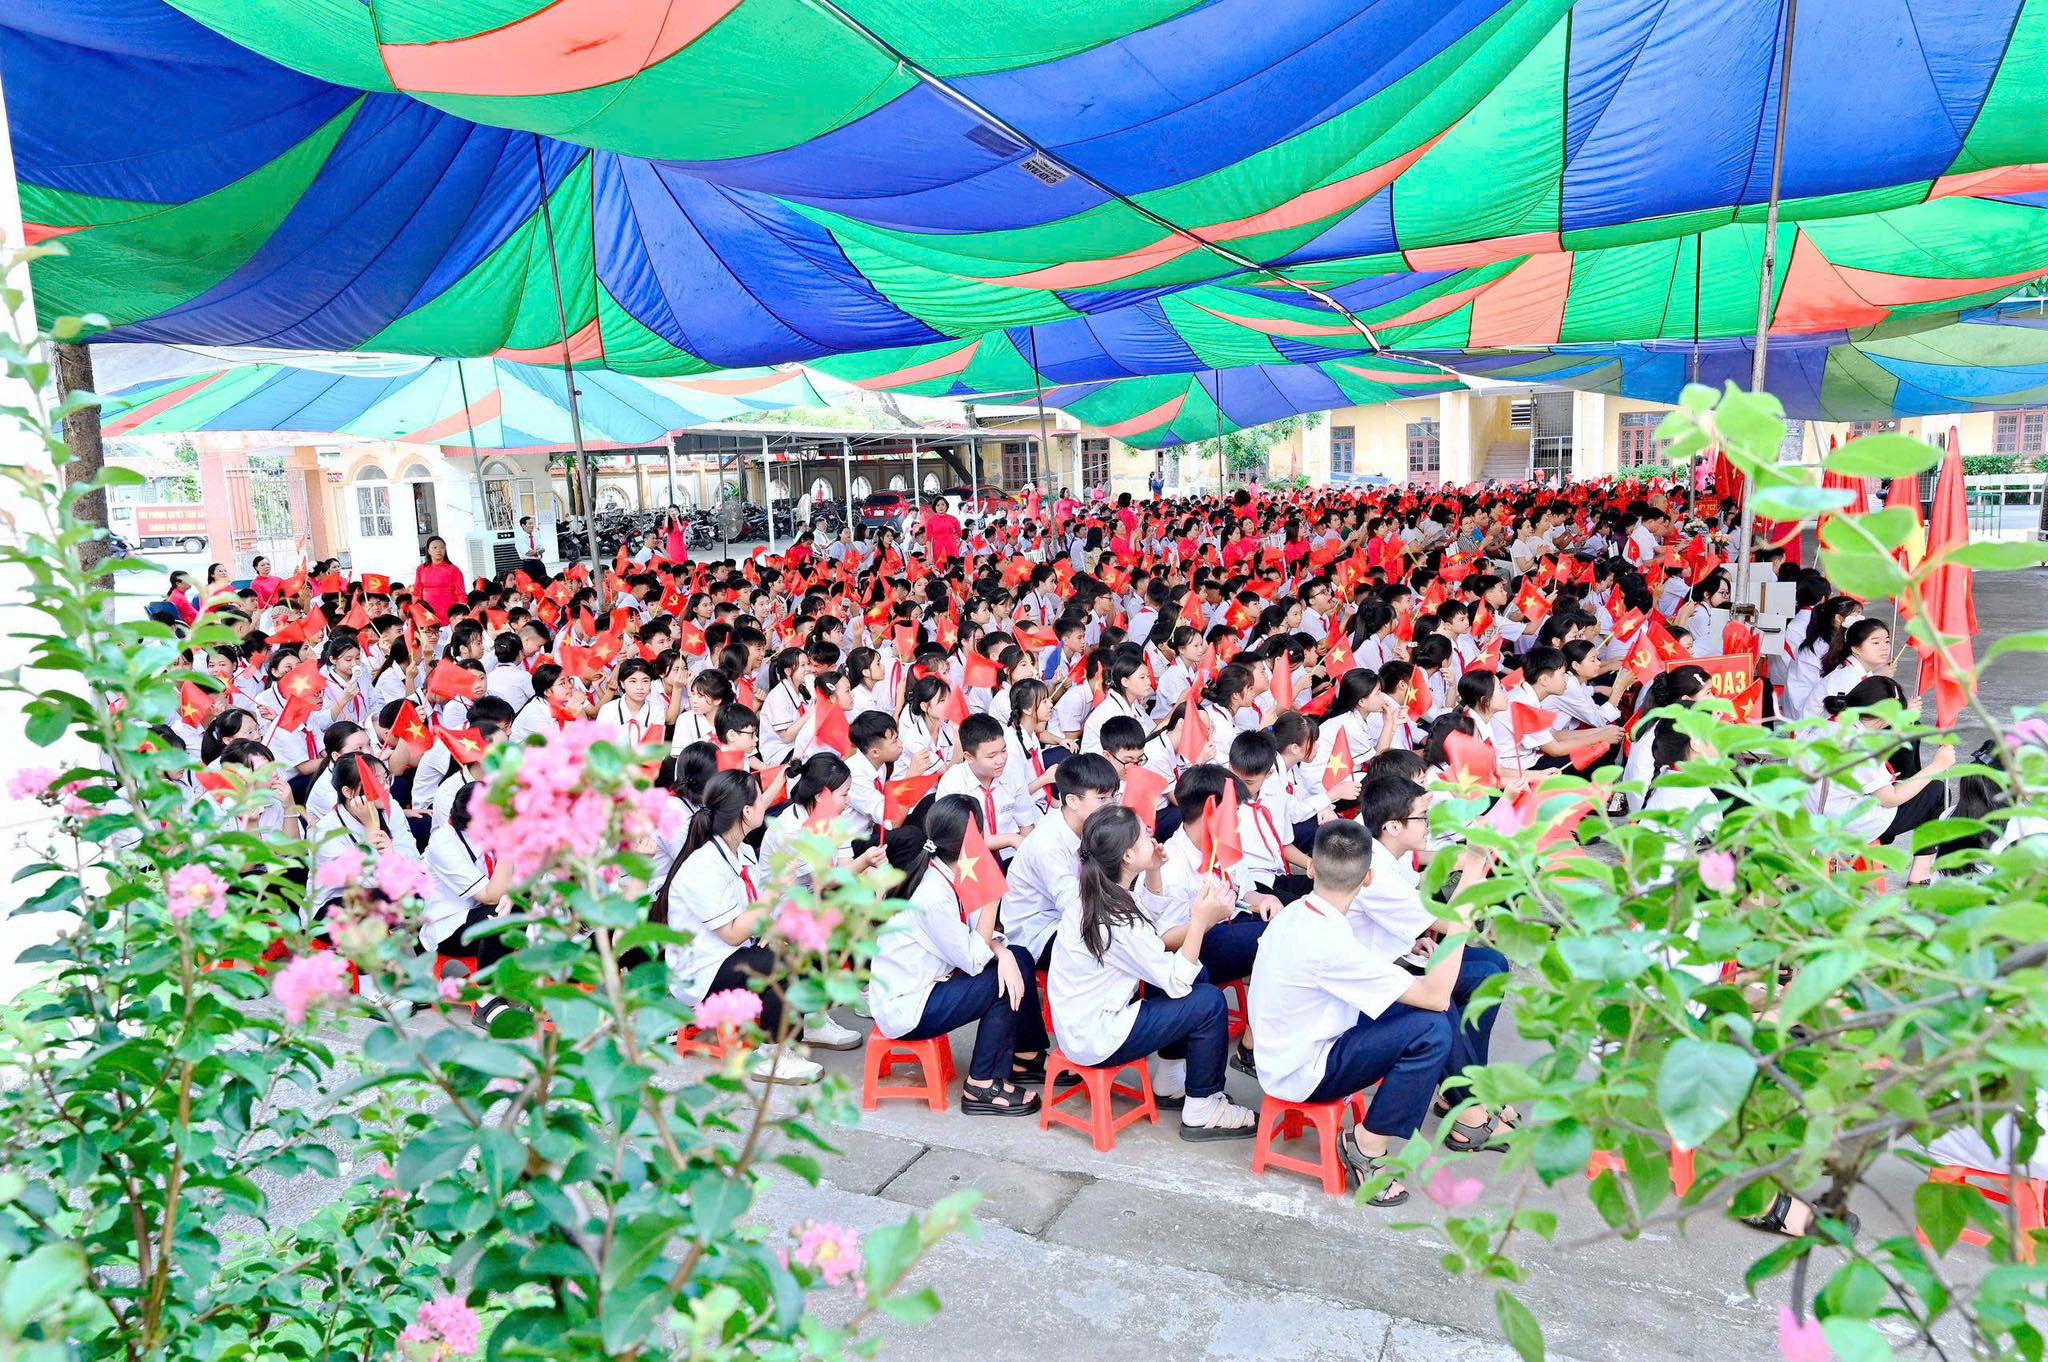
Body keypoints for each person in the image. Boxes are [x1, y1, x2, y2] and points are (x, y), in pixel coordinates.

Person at [1249, 822, 1470, 1205]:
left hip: (1288, 1047)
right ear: (1368, 878)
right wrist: (1461, 924)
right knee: (1433, 1028)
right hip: (1303, 1070)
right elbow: (1436, 997)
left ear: (1311, 867)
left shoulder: (1296, 912)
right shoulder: (1329, 941)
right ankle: (1367, 1145)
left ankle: (1462, 1104)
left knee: (1423, 1015)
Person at [1049, 805, 1257, 1138]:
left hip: (1084, 1021)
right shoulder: (1116, 919)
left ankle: (1171, 1078)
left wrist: (1155, 871)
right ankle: (1203, 1106)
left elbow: (1148, 925)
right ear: (1128, 856)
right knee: (1209, 1002)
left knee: (1196, 974)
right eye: (1144, 834)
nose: (1153, 836)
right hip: (1096, 1036)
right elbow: (1174, 977)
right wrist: (1202, 921)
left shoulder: (1099, 891)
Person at [657, 770, 852, 1085]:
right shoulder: (702, 865)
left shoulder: (744, 851)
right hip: (703, 969)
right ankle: (773, 1055)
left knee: (811, 938)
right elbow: (733, 933)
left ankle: (809, 1021)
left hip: (736, 950)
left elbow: (754, 913)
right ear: (747, 812)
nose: (766, 803)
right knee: (781, 963)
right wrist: (776, 891)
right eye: (761, 799)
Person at [868, 800, 1046, 1114]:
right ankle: (982, 1083)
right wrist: (992, 899)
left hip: (932, 982)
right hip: (908, 1006)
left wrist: (1002, 951)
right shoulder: (933, 894)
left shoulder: (948, 871)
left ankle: (1025, 1054)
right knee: (1001, 984)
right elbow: (973, 958)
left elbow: (977, 937)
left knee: (1017, 956)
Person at [1004, 753, 1120, 965]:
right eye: (1102, 799)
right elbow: (1073, 907)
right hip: (1037, 931)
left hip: (1073, 912)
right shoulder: (1047, 844)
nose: (1112, 805)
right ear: (1072, 801)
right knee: (1114, 945)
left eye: (1114, 796)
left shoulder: (1088, 824)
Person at [415, 537, 466, 623]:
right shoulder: (421, 569)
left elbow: (461, 593)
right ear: (428, 551)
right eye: (435, 547)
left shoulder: (453, 570)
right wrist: (416, 610)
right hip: (427, 613)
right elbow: (417, 592)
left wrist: (462, 612)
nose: (439, 550)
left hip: (448, 610)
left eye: (442, 547)